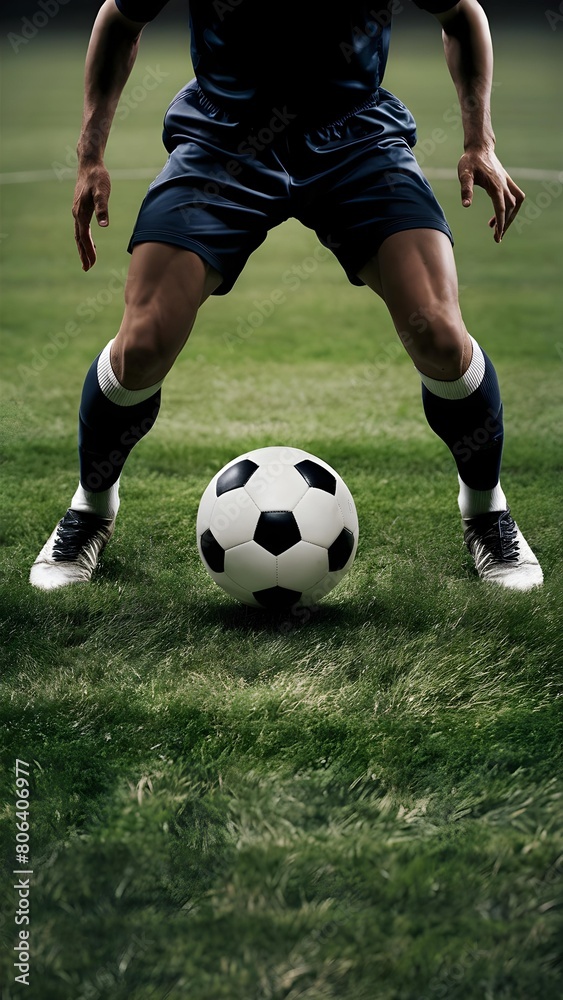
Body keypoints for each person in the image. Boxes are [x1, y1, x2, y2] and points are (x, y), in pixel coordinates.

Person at [30, 0, 543, 592]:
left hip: (355, 137)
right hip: (225, 137)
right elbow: (121, 19)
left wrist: (481, 139)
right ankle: (91, 510)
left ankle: (486, 512)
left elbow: (462, 15)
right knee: (141, 344)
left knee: (440, 334)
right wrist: (90, 153)